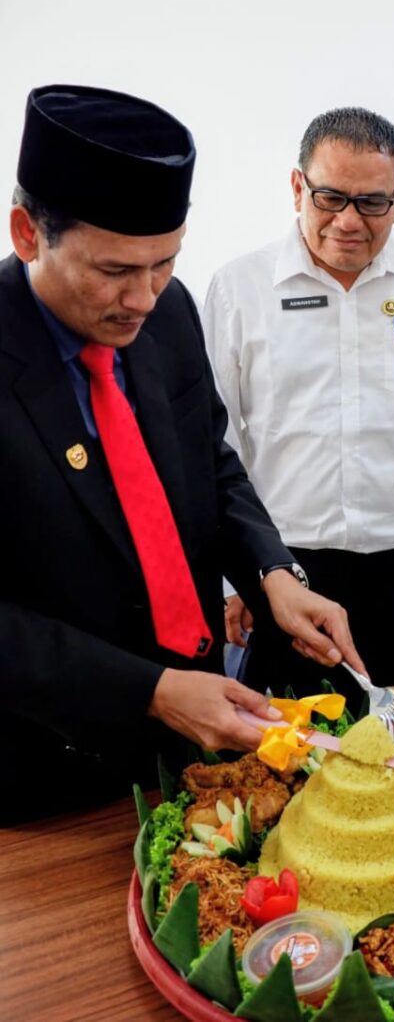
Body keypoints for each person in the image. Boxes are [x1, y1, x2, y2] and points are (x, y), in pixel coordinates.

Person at [1, 84, 363, 824]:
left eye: (164, 263)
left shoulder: (169, 312)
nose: (143, 296)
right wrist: (148, 690)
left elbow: (209, 462)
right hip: (48, 772)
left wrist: (273, 572)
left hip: (197, 743)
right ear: (28, 233)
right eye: (114, 271)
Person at [203, 107, 394, 699]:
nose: (348, 221)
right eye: (330, 197)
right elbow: (216, 442)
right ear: (297, 187)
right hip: (289, 568)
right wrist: (230, 577)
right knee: (293, 756)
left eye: (371, 203)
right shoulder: (240, 288)